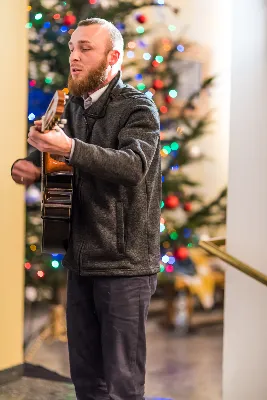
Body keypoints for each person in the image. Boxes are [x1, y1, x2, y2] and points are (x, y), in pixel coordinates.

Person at [11, 18, 161, 400]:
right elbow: (57, 156)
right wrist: (30, 162)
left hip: (124, 265)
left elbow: (132, 166)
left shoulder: (139, 107)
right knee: (86, 380)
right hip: (81, 259)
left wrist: (68, 148)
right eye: (72, 48)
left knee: (124, 384)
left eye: (85, 50)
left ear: (113, 58)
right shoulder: (72, 104)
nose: (74, 57)